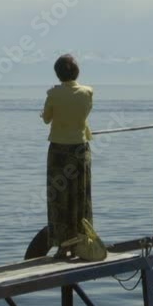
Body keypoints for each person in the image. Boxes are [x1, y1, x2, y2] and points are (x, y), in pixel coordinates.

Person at [41, 54, 93, 258]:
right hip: (81, 148)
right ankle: (83, 240)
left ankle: (63, 245)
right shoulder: (87, 92)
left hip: (59, 150)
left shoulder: (54, 94)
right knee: (81, 196)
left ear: (58, 74)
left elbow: (46, 119)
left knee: (59, 197)